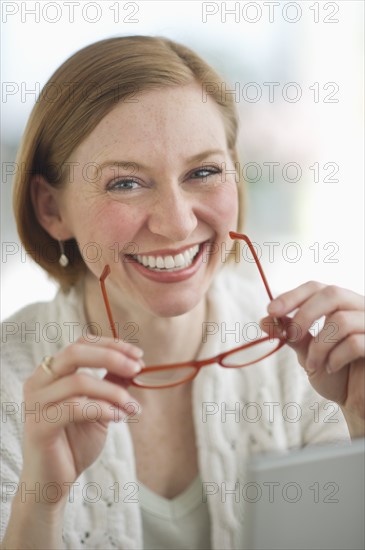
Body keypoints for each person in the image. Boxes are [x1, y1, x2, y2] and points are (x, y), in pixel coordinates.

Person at [1, 35, 364, 550]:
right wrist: (41, 503)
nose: (176, 224)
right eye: (125, 183)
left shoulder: (313, 371)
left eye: (204, 172)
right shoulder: (6, 388)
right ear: (50, 208)